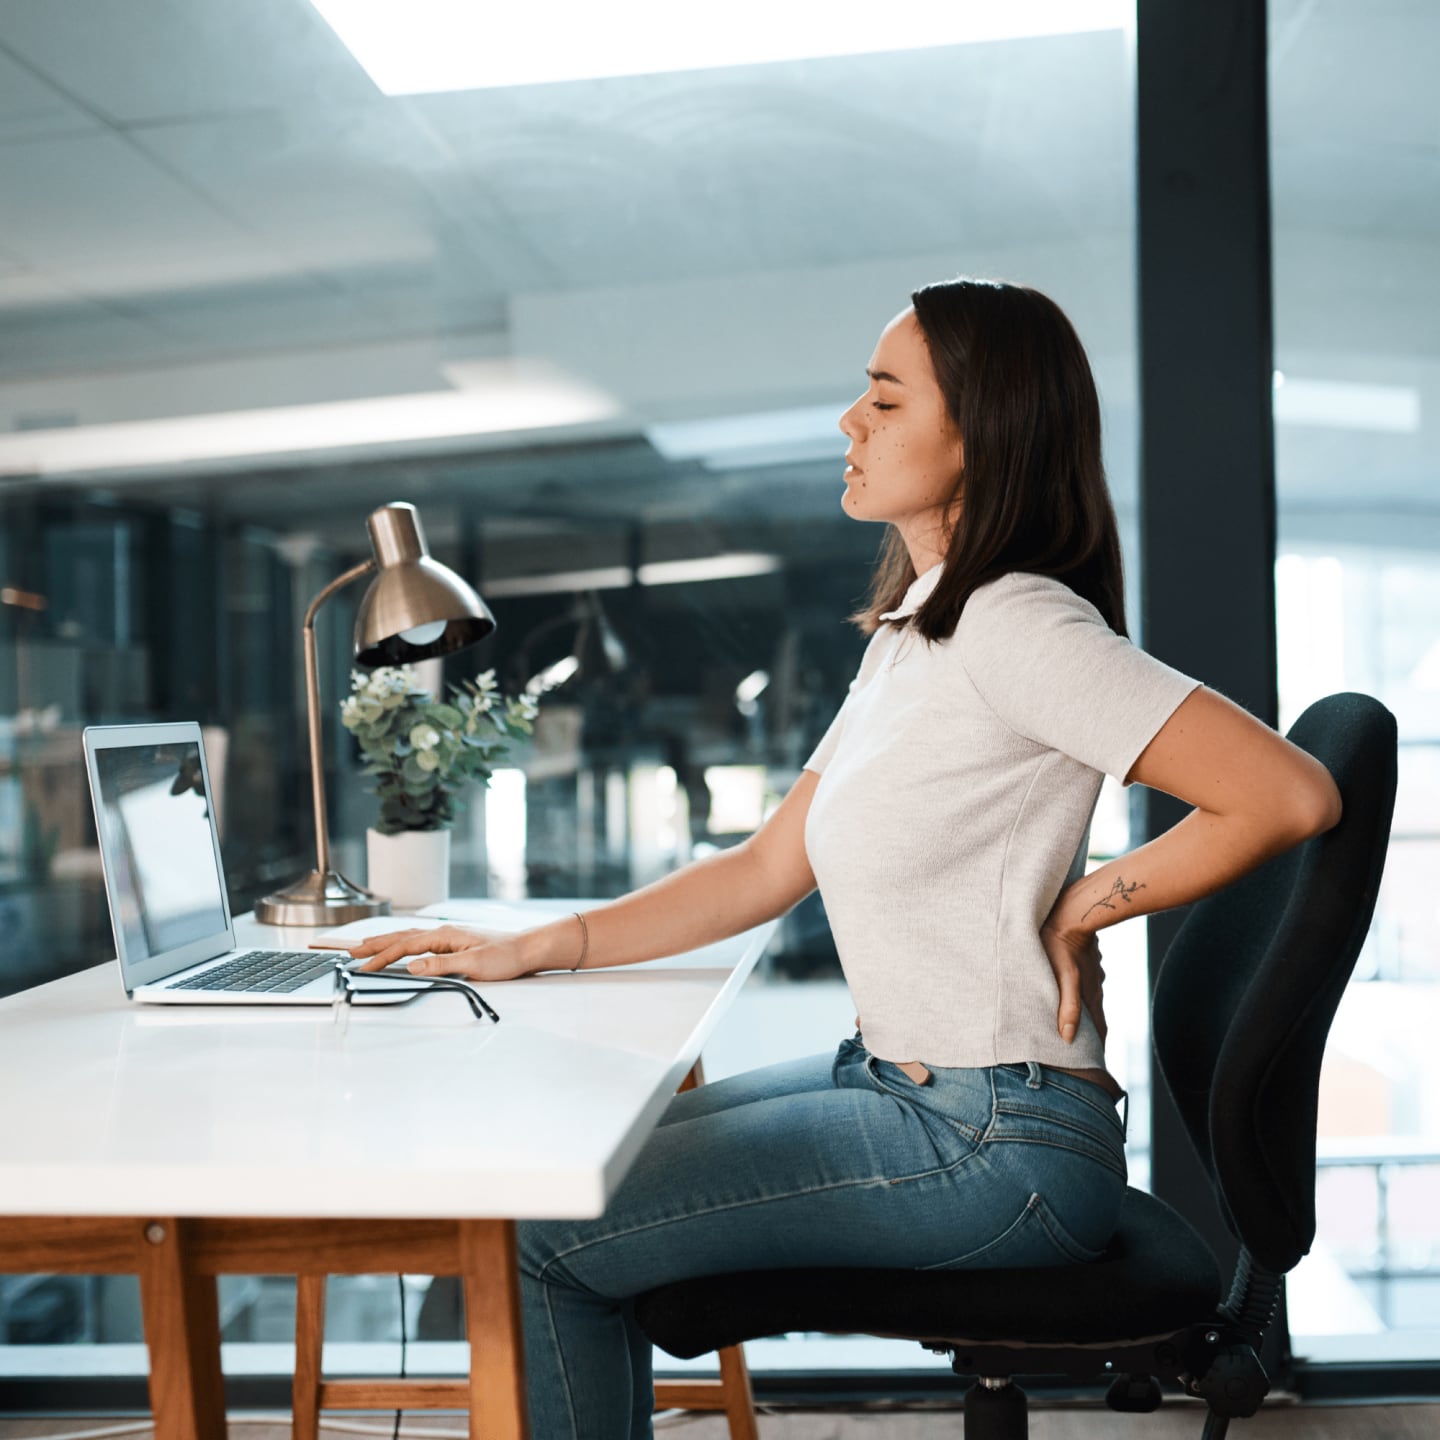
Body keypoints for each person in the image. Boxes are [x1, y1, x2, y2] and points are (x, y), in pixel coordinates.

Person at [349, 276, 1344, 1440]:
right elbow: (767, 867)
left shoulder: (1019, 623)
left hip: (990, 1140)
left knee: (536, 1238)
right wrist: (534, 947)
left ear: (986, 436)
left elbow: (1289, 793)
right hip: (906, 1084)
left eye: (883, 399)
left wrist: (1085, 908)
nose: (847, 423)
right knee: (572, 1162)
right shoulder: (919, 628)